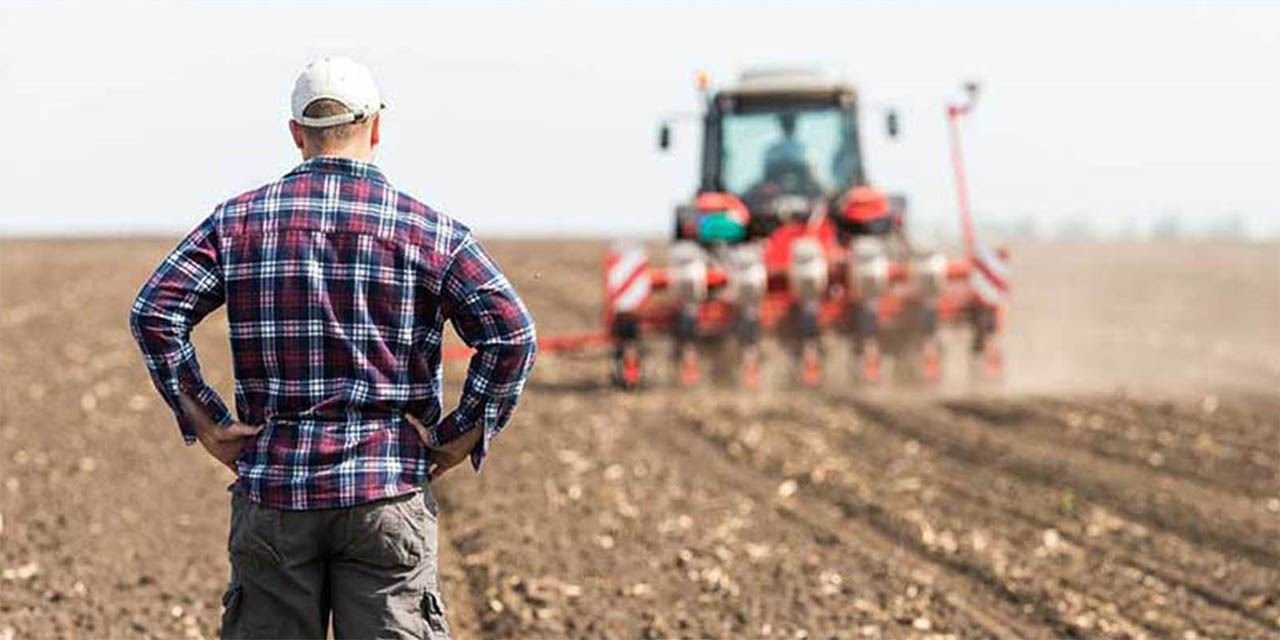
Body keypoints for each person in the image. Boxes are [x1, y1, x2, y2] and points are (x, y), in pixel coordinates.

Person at [128, 56, 536, 639]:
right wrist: (459, 436)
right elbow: (512, 334)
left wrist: (209, 421)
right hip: (387, 491)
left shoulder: (238, 223)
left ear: (296, 133)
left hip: (275, 492)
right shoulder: (430, 231)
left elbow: (155, 311)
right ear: (377, 126)